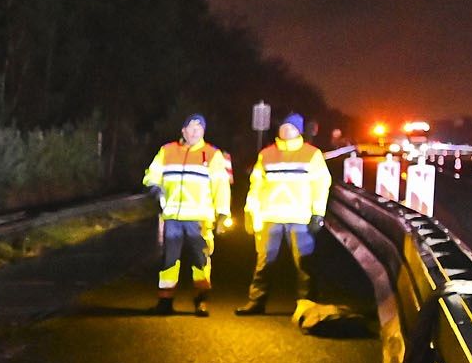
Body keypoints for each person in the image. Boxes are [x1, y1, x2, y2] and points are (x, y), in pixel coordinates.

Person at [237, 113, 331, 314]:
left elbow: (321, 185)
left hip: (300, 218)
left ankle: (308, 305)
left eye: (291, 127)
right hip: (270, 217)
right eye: (284, 127)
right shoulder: (266, 154)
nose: (287, 130)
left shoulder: (312, 154)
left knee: (304, 264)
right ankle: (256, 301)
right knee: (264, 263)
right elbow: (256, 185)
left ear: (299, 131)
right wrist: (250, 210)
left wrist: (318, 213)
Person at [141, 113, 232, 315]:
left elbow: (221, 186)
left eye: (199, 128)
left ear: (203, 132)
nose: (194, 131)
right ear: (183, 130)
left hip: (200, 217)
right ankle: (165, 301)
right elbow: (152, 174)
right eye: (190, 127)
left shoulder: (212, 154)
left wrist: (223, 213)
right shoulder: (167, 151)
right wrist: (155, 188)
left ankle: (201, 300)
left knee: (200, 260)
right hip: (172, 215)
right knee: (169, 261)